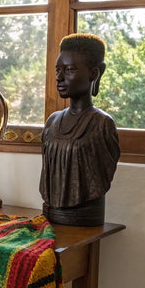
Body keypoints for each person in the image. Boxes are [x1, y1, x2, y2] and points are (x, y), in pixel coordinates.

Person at [39, 34, 120, 226]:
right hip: (49, 221)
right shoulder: (52, 121)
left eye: (69, 70)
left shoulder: (102, 125)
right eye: (58, 70)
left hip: (84, 221)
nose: (59, 77)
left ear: (93, 74)